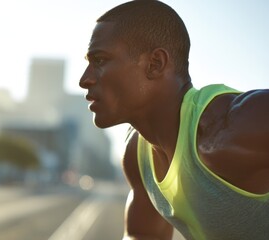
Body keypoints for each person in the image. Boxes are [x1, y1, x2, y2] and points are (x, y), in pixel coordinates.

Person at [79, 0, 269, 239]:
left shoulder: (236, 127)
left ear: (155, 64)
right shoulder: (137, 155)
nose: (84, 80)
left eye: (99, 61)